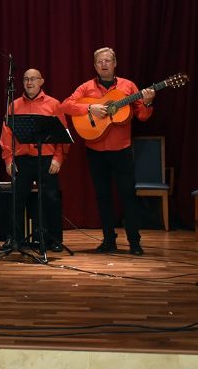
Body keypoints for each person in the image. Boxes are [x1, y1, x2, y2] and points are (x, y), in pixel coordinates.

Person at [61, 47, 155, 255]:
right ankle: (108, 240)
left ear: (115, 63)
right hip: (95, 150)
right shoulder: (86, 87)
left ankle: (134, 241)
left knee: (128, 195)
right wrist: (89, 108)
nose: (104, 64)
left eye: (108, 60)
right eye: (99, 61)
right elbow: (66, 105)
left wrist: (147, 102)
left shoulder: (128, 86)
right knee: (102, 196)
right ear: (95, 66)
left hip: (121, 149)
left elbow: (142, 116)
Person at [0, 68, 68, 251]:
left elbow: (62, 134)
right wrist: (8, 160)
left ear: (41, 81)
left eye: (33, 79)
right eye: (26, 79)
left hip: (46, 159)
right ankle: (14, 238)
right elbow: (6, 136)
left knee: (51, 198)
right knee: (16, 199)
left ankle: (54, 239)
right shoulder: (14, 105)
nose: (29, 83)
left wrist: (58, 158)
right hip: (22, 159)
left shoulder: (54, 104)